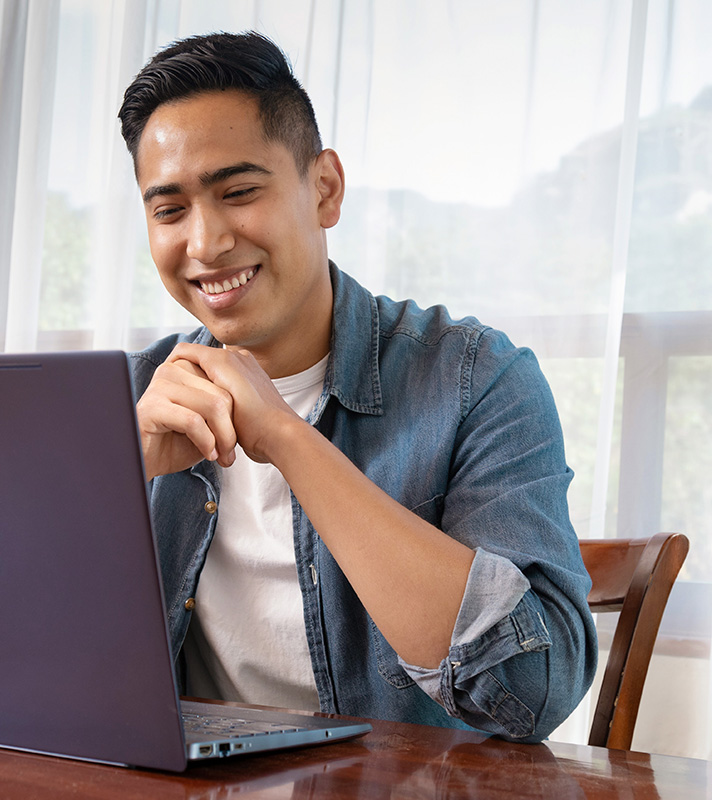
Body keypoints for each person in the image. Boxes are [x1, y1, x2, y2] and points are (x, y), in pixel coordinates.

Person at [118, 31, 597, 741]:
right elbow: (9, 652)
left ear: (325, 189)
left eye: (240, 192)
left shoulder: (478, 380)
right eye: (169, 210)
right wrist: (115, 473)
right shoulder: (134, 393)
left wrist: (287, 438)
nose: (205, 241)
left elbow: (531, 691)